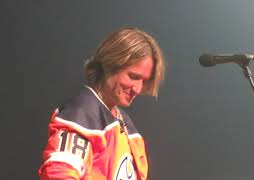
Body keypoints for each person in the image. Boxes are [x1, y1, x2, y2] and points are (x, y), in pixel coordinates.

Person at [38, 27, 165, 180]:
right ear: (110, 64)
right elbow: (60, 173)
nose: (138, 89)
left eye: (144, 81)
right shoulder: (82, 114)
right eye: (133, 76)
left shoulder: (123, 121)